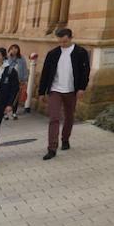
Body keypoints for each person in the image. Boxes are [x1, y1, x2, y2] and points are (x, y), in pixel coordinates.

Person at [37, 27, 91, 160]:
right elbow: (45, 73)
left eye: (65, 42)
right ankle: (52, 148)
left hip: (71, 90)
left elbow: (85, 72)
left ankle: (65, 138)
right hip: (55, 90)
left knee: (69, 116)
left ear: (71, 38)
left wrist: (81, 88)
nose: (62, 44)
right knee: (54, 118)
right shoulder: (52, 54)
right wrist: (41, 92)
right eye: (60, 42)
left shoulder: (80, 52)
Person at [5, 44, 29, 119]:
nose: (14, 50)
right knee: (7, 96)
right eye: (12, 48)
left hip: (19, 80)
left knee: (16, 97)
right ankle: (5, 113)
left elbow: (25, 69)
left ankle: (14, 112)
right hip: (8, 80)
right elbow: (6, 67)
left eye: (16, 48)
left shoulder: (22, 59)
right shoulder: (8, 58)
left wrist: (24, 79)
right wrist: (9, 57)